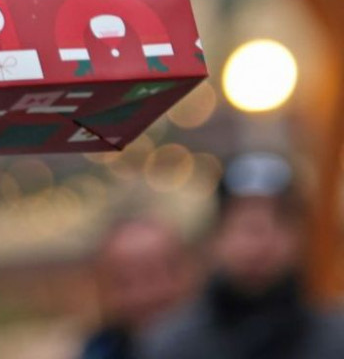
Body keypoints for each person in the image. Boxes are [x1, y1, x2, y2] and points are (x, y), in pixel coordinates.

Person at [144, 152, 344, 359]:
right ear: (216, 237)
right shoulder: (171, 345)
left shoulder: (336, 341)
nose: (260, 240)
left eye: (278, 220)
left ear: (300, 236)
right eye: (244, 223)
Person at [80, 214, 194, 359]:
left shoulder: (222, 345)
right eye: (123, 282)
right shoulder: (99, 351)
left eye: (152, 276)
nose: (141, 296)